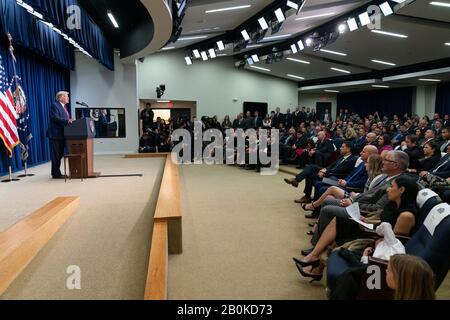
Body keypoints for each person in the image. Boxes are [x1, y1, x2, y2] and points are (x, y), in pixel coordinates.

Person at [295, 176, 419, 281]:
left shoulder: (406, 216)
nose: (388, 189)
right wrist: (367, 220)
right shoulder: (393, 204)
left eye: (392, 186)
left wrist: (368, 227)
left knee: (340, 227)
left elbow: (393, 241)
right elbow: (383, 221)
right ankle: (314, 260)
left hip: (376, 240)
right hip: (373, 229)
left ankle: (315, 263)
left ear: (402, 190)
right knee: (339, 221)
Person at [47, 91, 73, 179]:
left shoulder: (64, 107)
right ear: (61, 97)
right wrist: (67, 121)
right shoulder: (55, 105)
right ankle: (55, 174)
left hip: (62, 135)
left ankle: (56, 172)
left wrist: (70, 121)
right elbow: (54, 118)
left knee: (59, 155)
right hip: (55, 135)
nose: (68, 98)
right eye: (67, 96)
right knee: (56, 155)